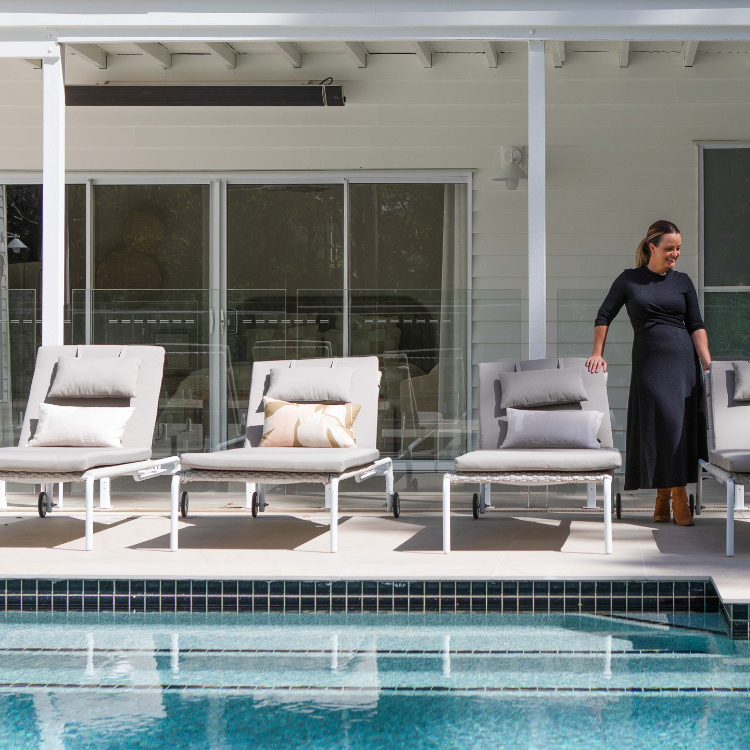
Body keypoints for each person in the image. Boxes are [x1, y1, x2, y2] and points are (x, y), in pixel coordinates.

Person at [586, 220, 711, 525]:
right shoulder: (630, 280)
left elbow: (696, 324)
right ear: (652, 247)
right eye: (669, 248)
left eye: (678, 248)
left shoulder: (683, 282)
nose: (675, 254)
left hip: (683, 363)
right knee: (661, 424)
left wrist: (708, 363)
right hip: (649, 364)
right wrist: (597, 353)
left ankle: (670, 497)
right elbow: (604, 314)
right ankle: (670, 496)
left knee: (678, 427)